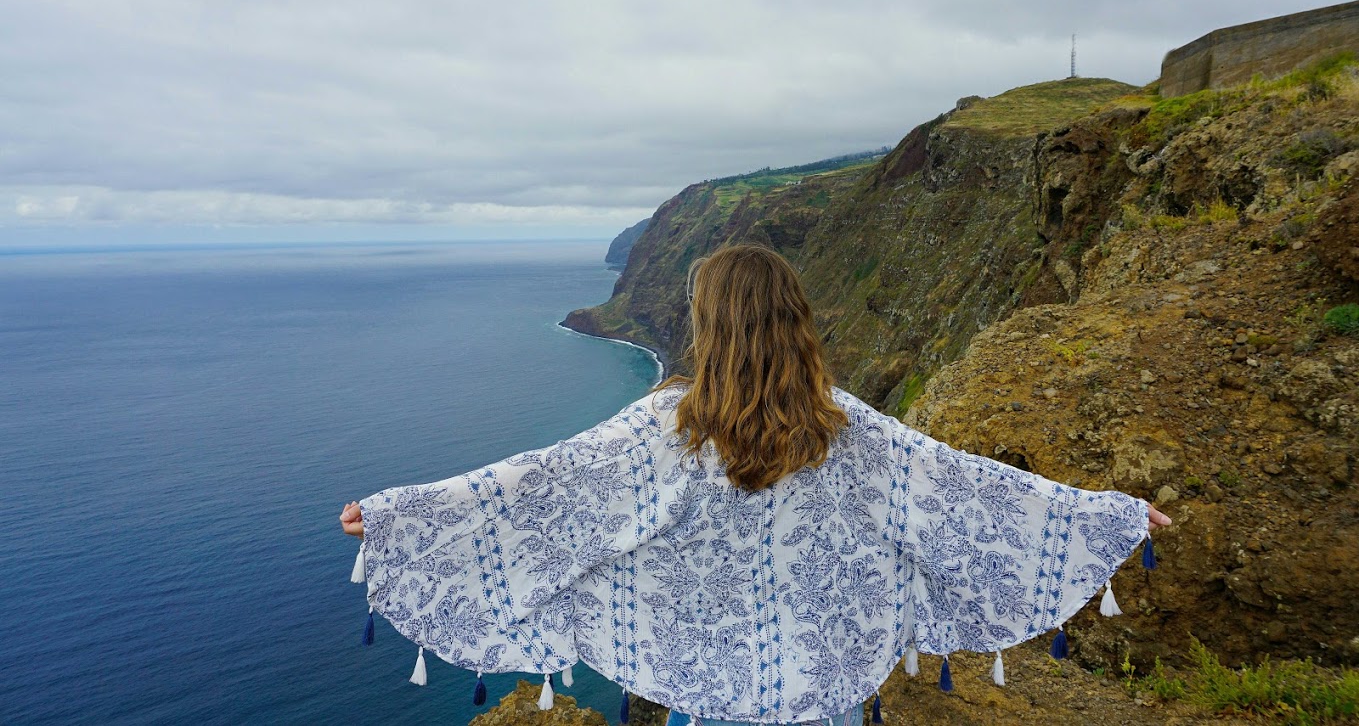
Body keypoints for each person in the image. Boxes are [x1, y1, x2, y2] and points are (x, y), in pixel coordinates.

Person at [340, 244, 1169, 726]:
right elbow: (967, 496)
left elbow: (534, 496)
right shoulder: (848, 426)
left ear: (708, 323)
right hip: (826, 687)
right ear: (793, 318)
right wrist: (1107, 518)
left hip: (704, 692)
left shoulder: (660, 428)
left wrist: (397, 519)